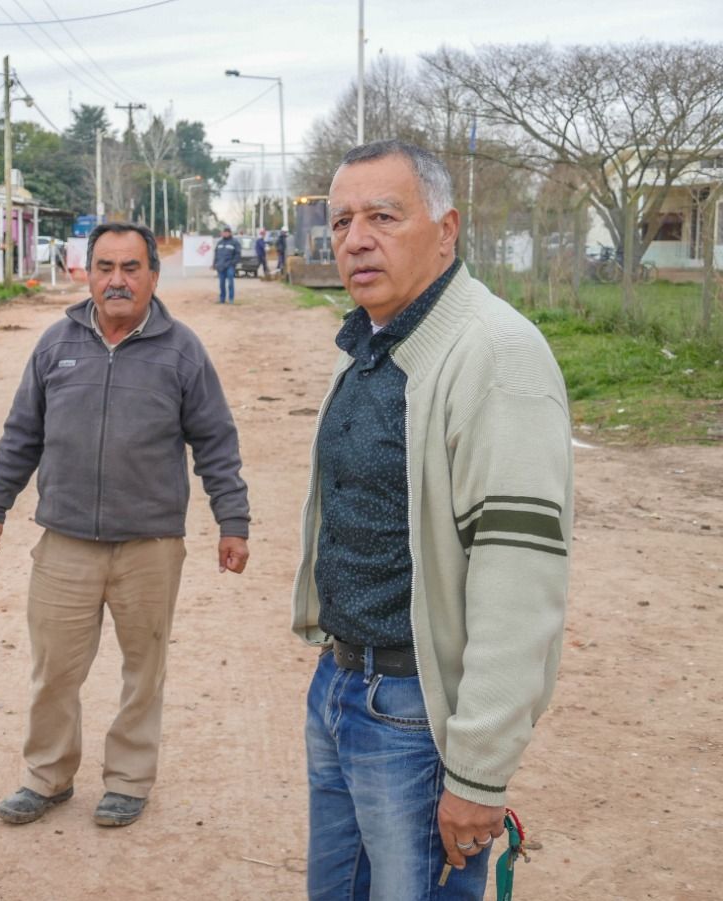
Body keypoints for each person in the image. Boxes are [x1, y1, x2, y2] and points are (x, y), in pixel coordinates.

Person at [291, 139, 572, 900]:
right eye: (342, 221)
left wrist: (478, 772)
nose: (356, 239)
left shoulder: (497, 355)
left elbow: (519, 583)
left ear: (446, 230)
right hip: (342, 686)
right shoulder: (374, 342)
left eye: (383, 216)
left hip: (417, 714)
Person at [0, 222, 251, 829]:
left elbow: (215, 443)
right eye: (105, 267)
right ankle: (47, 777)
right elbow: (21, 435)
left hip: (150, 545)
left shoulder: (182, 351)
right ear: (88, 273)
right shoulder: (55, 345)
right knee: (54, 670)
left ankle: (128, 780)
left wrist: (232, 520)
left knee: (143, 672)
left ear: (153, 275)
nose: (117, 280)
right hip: (65, 542)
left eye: (131, 268)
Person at [212, 225, 242, 303]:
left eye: (227, 232)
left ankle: (231, 299)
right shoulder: (219, 243)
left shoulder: (234, 242)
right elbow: (216, 254)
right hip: (220, 266)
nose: (225, 234)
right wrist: (214, 264)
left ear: (230, 233)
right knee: (221, 283)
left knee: (230, 283)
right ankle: (222, 299)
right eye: (224, 232)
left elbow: (238, 254)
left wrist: (233, 263)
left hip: (230, 266)